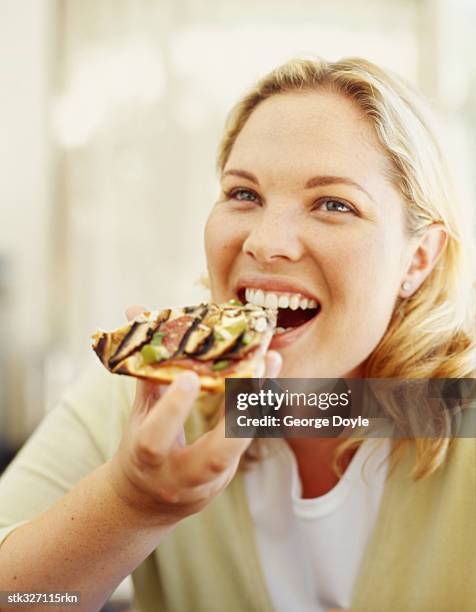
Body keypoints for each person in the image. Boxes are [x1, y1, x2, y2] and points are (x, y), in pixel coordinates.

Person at [0, 57, 475, 612]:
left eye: (334, 204)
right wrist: (132, 503)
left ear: (417, 258)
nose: (267, 242)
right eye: (244, 194)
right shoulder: (147, 401)